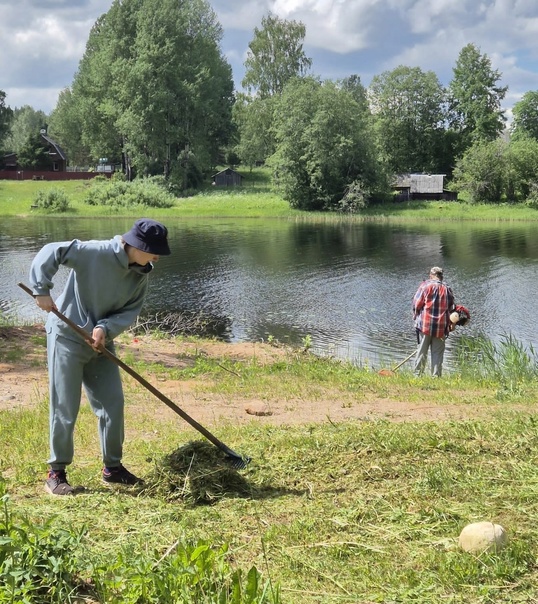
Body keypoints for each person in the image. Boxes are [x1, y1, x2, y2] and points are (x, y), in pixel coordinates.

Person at [29, 218, 171, 495]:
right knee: (65, 407)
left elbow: (129, 311)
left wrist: (104, 328)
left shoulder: (140, 274)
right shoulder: (95, 251)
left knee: (113, 404)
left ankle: (112, 469)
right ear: (135, 245)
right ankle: (56, 473)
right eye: (153, 250)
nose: (156, 257)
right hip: (66, 337)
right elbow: (51, 251)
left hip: (100, 344)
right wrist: (41, 289)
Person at [412, 266, 455, 377]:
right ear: (441, 276)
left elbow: (416, 304)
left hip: (425, 325)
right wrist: (452, 324)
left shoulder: (425, 286)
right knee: (437, 353)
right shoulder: (447, 289)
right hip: (441, 326)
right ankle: (435, 377)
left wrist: (415, 316)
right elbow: (452, 309)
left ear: (430, 275)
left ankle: (417, 376)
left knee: (422, 351)